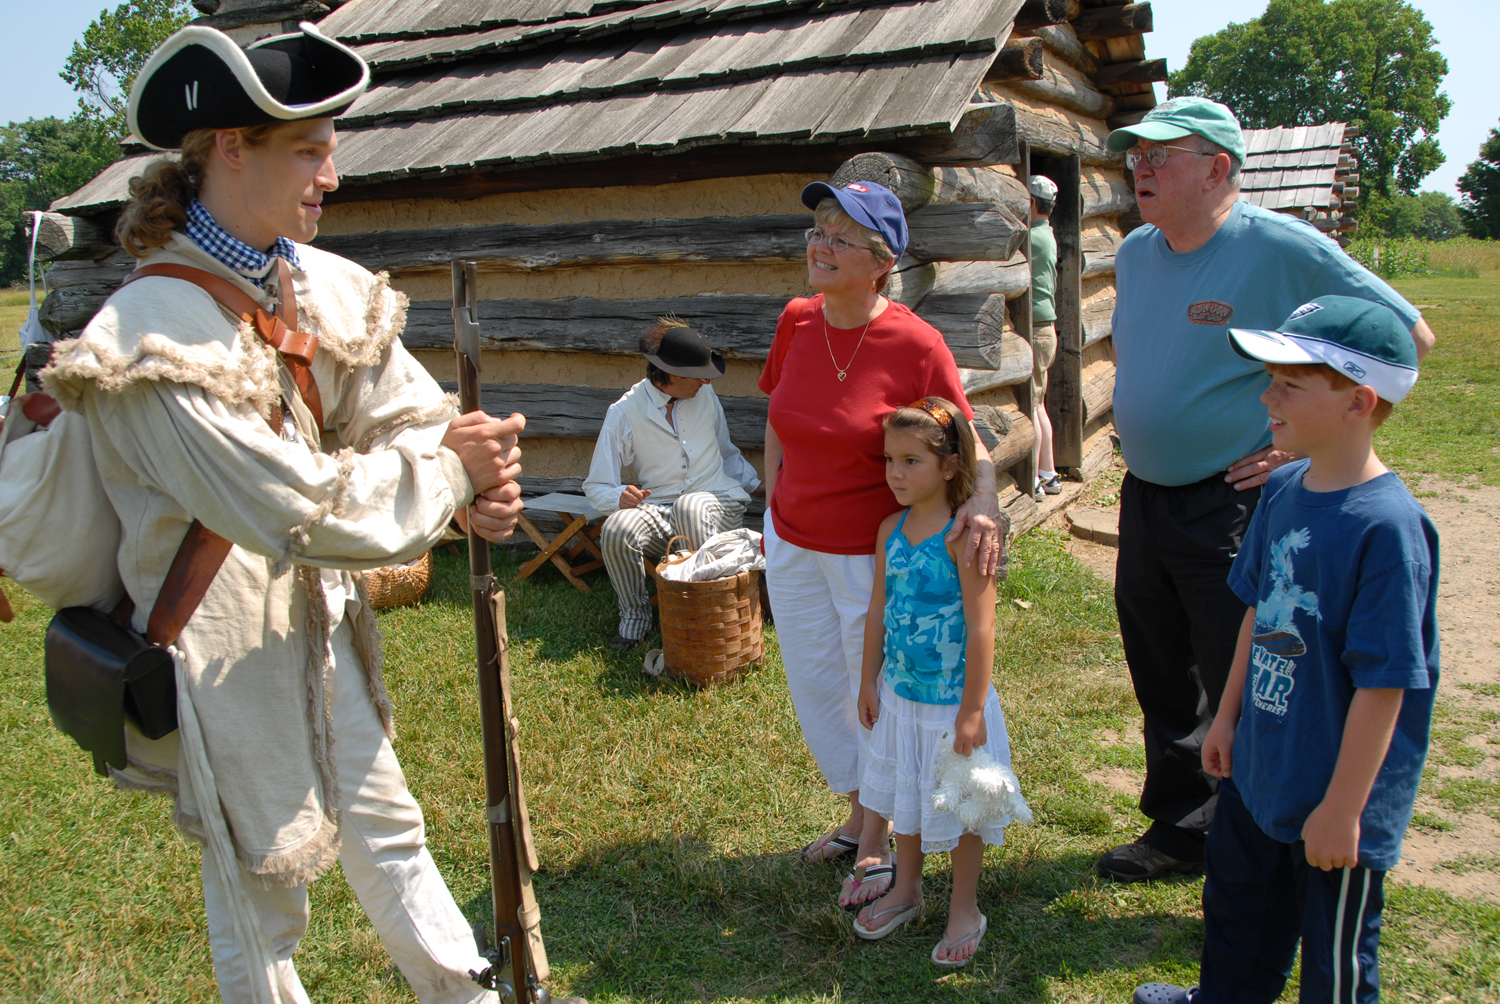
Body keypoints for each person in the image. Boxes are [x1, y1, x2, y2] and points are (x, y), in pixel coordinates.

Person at [42, 24, 524, 1002]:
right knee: (260, 884)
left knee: (389, 824)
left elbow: (404, 410)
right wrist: (445, 480)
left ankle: (470, 996)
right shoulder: (143, 337)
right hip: (212, 650)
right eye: (309, 149)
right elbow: (289, 507)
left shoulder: (318, 285)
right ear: (230, 147)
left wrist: (473, 472)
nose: (332, 175)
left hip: (318, 623)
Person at [1099, 96, 1436, 882]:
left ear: (1219, 168)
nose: (1140, 168)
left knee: (1244, 679)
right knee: (1163, 671)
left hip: (1233, 502)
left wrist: (1301, 454)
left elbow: (1408, 343)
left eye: (1162, 155)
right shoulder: (1137, 252)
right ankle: (1185, 832)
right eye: (1136, 156)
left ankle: (1259, 846)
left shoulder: (1281, 246)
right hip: (1146, 494)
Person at [1134, 296, 1439, 1004]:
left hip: (1336, 794)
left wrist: (1343, 809)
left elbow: (1386, 683)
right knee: (1238, 918)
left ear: (1358, 402)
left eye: (1289, 385)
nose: (1266, 396)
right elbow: (1257, 613)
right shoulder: (1282, 488)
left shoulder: (1388, 529)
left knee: (1333, 966)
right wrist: (1230, 717)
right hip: (1257, 769)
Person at [760, 180, 1005, 912]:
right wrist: (773, 504)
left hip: (870, 553)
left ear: (881, 260)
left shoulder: (915, 341)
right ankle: (860, 808)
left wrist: (984, 508)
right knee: (819, 687)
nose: (820, 245)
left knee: (878, 693)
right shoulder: (797, 320)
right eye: (817, 231)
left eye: (840, 237)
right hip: (792, 541)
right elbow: (777, 417)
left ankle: (874, 838)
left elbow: (966, 441)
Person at [853, 398, 1027, 968]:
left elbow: (982, 628)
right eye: (889, 460)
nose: (895, 474)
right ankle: (906, 887)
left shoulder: (965, 537)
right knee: (907, 793)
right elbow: (879, 608)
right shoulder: (889, 530)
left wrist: (972, 710)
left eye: (911, 461)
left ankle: (965, 907)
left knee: (962, 807)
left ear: (951, 466)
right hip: (902, 697)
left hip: (953, 704)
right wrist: (868, 681)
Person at [582, 318, 763, 649]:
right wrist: (619, 496)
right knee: (617, 528)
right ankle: (635, 619)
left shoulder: (706, 399)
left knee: (690, 506)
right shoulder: (624, 412)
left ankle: (713, 611)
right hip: (661, 509)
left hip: (716, 501)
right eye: (701, 376)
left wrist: (760, 486)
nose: (707, 384)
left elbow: (726, 453)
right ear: (674, 376)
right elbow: (596, 485)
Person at [1027, 174, 1061, 501]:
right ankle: (1049, 474)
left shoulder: (1031, 238)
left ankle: (1034, 479)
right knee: (1039, 405)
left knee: (1031, 406)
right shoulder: (1046, 234)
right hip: (1045, 330)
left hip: (1035, 331)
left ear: (1033, 203)